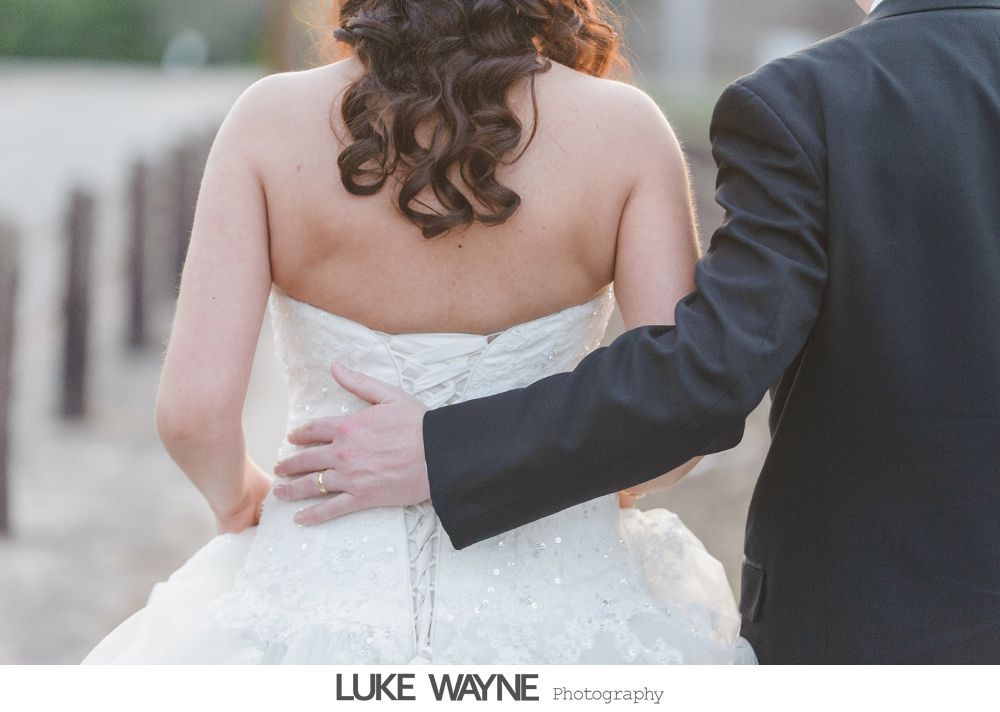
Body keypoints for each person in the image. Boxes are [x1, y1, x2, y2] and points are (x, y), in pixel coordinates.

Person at [282, 0, 1000, 663]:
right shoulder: (654, 124)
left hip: (880, 621)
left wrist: (448, 451)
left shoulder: (817, 100)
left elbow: (704, 382)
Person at [84, 0, 755, 664]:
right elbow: (676, 420)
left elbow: (194, 416)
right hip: (562, 588)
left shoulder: (268, 121)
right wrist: (591, 471)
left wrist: (240, 501)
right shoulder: (626, 129)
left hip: (321, 576)